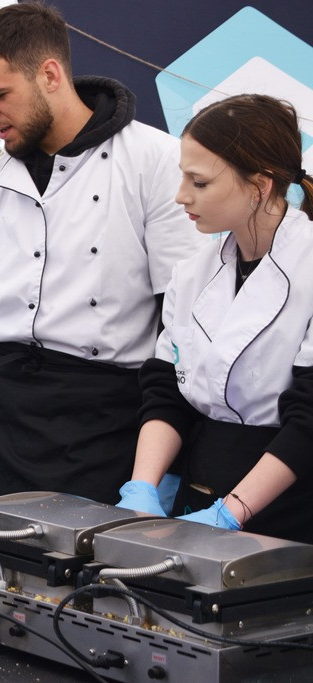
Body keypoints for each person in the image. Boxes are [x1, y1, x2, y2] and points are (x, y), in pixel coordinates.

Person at [0, 2, 205, 538]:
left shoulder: (155, 162)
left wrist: (168, 466)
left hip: (102, 429)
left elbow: (179, 330)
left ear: (50, 75)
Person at [116, 94, 313, 543]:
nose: (181, 195)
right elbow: (166, 388)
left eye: (199, 182)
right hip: (200, 487)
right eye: (183, 176)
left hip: (291, 509)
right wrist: (143, 487)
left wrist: (232, 512)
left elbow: (309, 420)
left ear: (259, 185)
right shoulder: (192, 272)